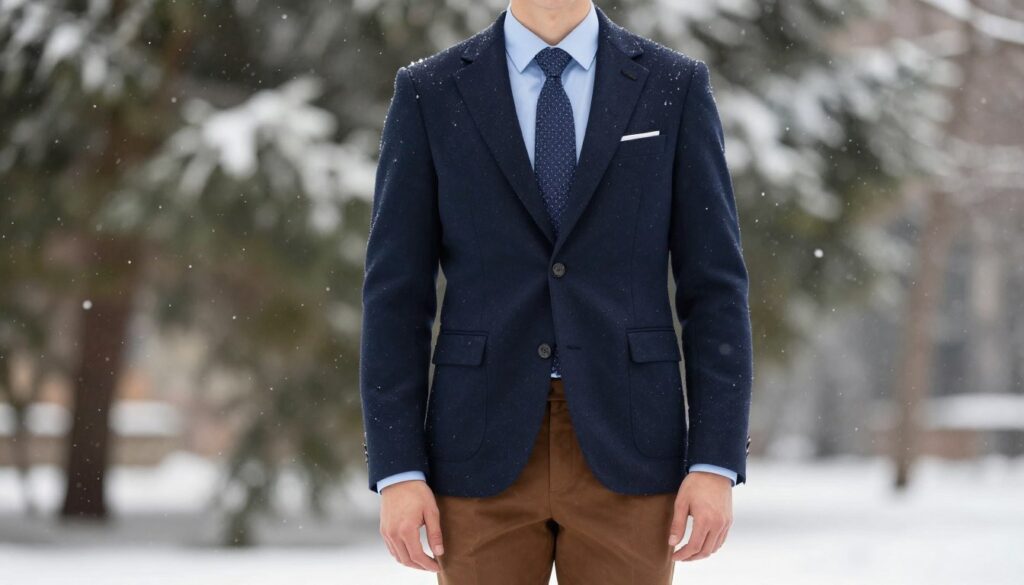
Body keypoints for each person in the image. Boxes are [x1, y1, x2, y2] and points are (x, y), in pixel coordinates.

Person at [359, 1, 753, 582]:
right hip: (476, 447)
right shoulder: (430, 91)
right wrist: (398, 470)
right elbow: (395, 294)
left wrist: (716, 460)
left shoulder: (674, 85)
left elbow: (714, 288)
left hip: (632, 444)